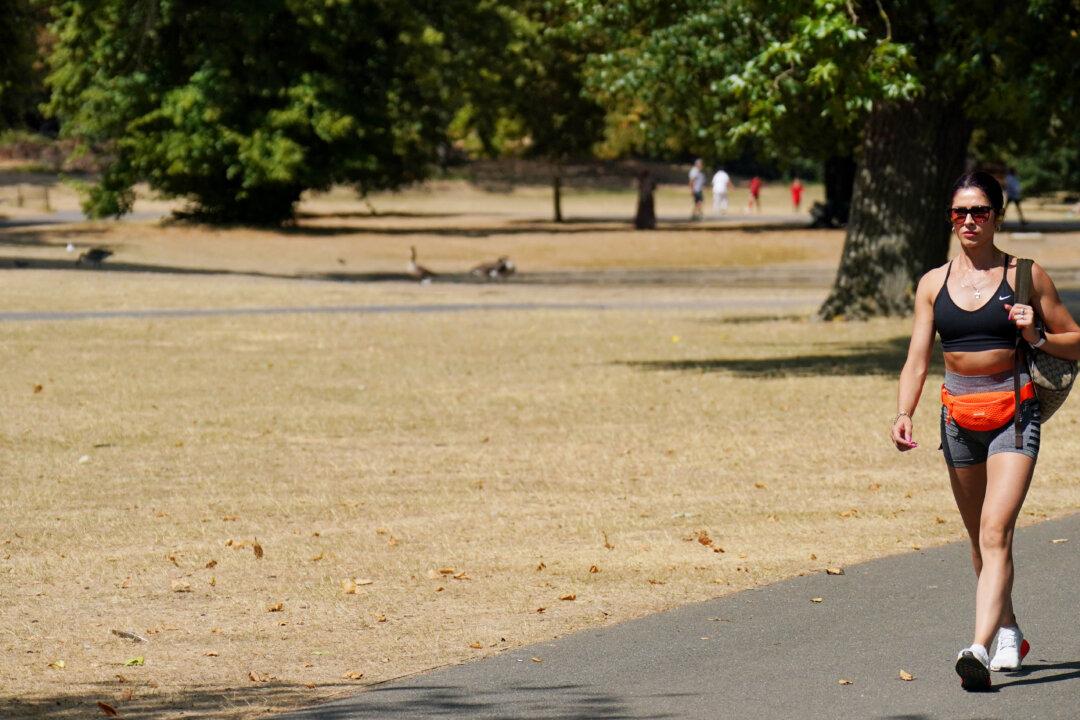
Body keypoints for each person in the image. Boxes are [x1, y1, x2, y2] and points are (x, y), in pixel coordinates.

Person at [890, 170, 1080, 691]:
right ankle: (1008, 631)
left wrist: (1036, 334)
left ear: (996, 215)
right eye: (959, 213)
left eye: (979, 211)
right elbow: (916, 359)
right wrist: (904, 411)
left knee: (996, 530)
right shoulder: (933, 283)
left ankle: (975, 647)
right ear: (951, 219)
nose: (969, 221)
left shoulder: (1026, 275)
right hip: (957, 420)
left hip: (1014, 416)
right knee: (980, 538)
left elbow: (1075, 340)